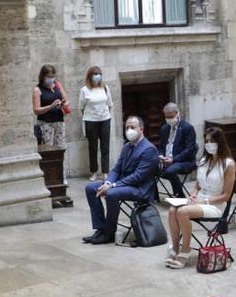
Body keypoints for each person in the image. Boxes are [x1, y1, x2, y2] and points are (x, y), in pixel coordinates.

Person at [165, 127, 236, 269]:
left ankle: (185, 251)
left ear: (220, 142)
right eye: (207, 141)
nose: (209, 144)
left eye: (212, 141)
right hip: (199, 202)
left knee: (182, 212)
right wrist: (193, 194)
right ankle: (175, 248)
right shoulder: (204, 160)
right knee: (173, 210)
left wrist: (204, 201)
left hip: (215, 206)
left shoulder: (229, 164)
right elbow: (198, 185)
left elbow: (226, 196)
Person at [83, 116, 160, 245]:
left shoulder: (149, 149)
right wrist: (108, 182)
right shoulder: (127, 146)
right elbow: (117, 169)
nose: (129, 130)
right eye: (127, 128)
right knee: (90, 188)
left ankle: (109, 233)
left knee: (112, 194)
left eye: (132, 127)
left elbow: (138, 176)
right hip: (123, 184)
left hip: (140, 188)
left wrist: (112, 186)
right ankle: (101, 229)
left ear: (141, 129)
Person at [79, 66, 113, 181]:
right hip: (91, 121)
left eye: (99, 73)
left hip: (105, 120)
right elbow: (81, 107)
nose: (97, 76)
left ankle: (105, 172)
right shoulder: (84, 90)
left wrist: (106, 115)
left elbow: (110, 104)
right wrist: (90, 116)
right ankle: (94, 172)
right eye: (95, 74)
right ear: (90, 76)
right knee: (93, 148)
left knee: (105, 147)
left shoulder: (105, 88)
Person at [158, 102, 198, 198]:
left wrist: (173, 159)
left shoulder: (187, 128)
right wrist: (160, 156)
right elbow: (161, 147)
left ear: (177, 113)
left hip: (184, 161)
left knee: (170, 171)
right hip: (166, 160)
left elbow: (190, 150)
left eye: (171, 117)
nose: (169, 120)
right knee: (149, 168)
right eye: (167, 117)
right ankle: (152, 196)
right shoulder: (164, 128)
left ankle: (180, 195)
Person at [32, 64, 70, 149]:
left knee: (61, 149)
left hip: (59, 123)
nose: (51, 79)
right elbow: (36, 110)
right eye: (49, 77)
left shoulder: (57, 85)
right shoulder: (37, 89)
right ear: (43, 76)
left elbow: (66, 99)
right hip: (45, 124)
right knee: (48, 150)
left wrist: (66, 103)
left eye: (53, 76)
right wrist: (50, 106)